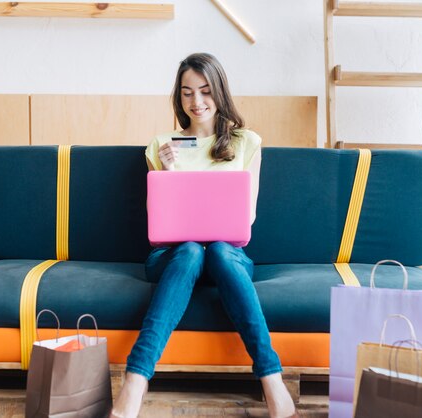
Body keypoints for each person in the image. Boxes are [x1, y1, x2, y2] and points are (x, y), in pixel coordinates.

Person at [109, 53, 298, 418]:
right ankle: (135, 381)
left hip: (228, 256)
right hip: (173, 257)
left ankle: (272, 379)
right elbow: (158, 226)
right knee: (193, 250)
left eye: (205, 91)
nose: (196, 102)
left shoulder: (246, 143)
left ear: (219, 92)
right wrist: (168, 173)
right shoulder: (161, 145)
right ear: (178, 99)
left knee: (218, 251)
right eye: (186, 93)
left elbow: (248, 217)